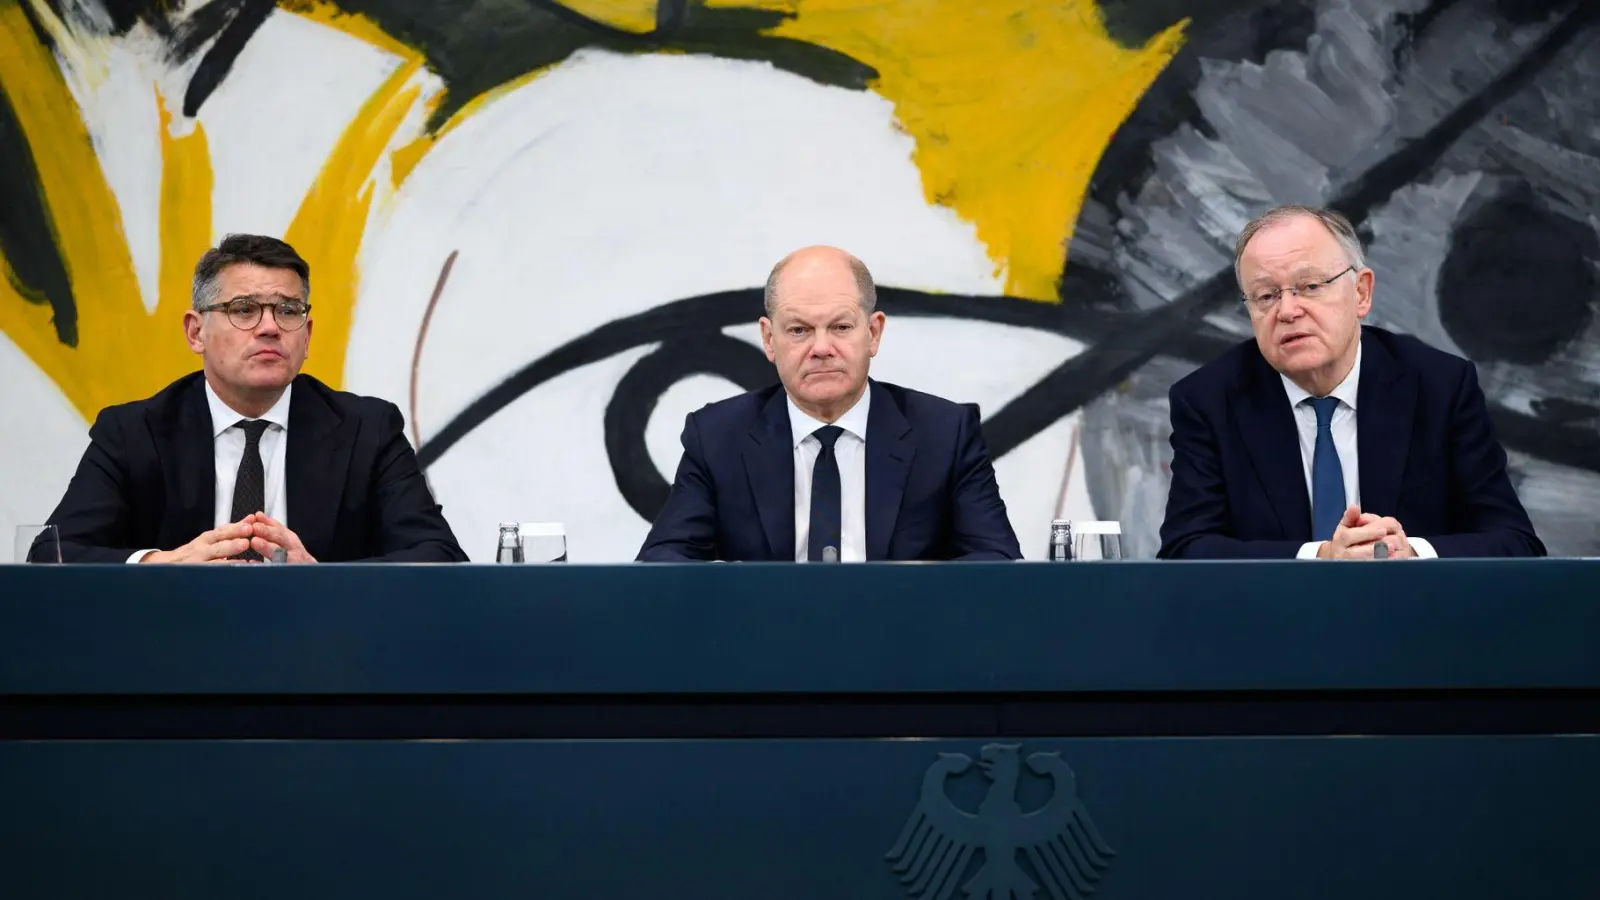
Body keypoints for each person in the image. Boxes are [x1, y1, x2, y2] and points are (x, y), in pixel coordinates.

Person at [43, 234, 468, 563]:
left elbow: (439, 556)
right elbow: (51, 554)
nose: (269, 327)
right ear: (196, 332)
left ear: (307, 336)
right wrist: (162, 562)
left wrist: (321, 577)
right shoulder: (134, 432)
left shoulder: (367, 430)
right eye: (244, 309)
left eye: (287, 311)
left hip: (321, 655)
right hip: (175, 655)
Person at [1158, 205, 1544, 559]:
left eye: (1310, 286)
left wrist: (1410, 552)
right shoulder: (1208, 401)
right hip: (1276, 626)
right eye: (1266, 295)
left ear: (1361, 292)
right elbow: (1185, 549)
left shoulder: (1439, 386)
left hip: (1416, 622)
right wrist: (1321, 557)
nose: (1288, 310)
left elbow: (1515, 543)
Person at [637, 246, 1021, 562]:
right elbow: (663, 566)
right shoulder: (718, 437)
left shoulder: (945, 433)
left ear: (873, 333)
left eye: (840, 327)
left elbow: (995, 563)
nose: (821, 349)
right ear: (769, 340)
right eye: (799, 330)